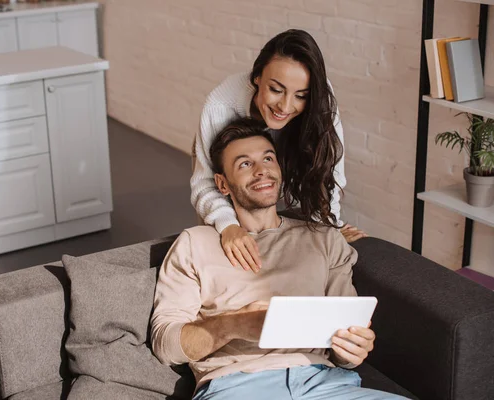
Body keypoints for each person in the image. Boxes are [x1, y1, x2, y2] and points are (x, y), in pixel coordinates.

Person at [152, 118, 407, 400]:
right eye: (245, 164)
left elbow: (343, 338)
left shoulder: (324, 239)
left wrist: (352, 349)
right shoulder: (195, 244)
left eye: (268, 159)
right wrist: (233, 325)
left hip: (324, 383)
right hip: (236, 386)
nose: (262, 171)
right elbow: (166, 345)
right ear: (222, 184)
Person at [191, 29, 367, 274]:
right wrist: (228, 227)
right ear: (257, 77)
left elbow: (328, 173)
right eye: (276, 90)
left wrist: (328, 229)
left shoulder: (320, 99)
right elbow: (206, 183)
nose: (285, 106)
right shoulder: (221, 105)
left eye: (300, 96)